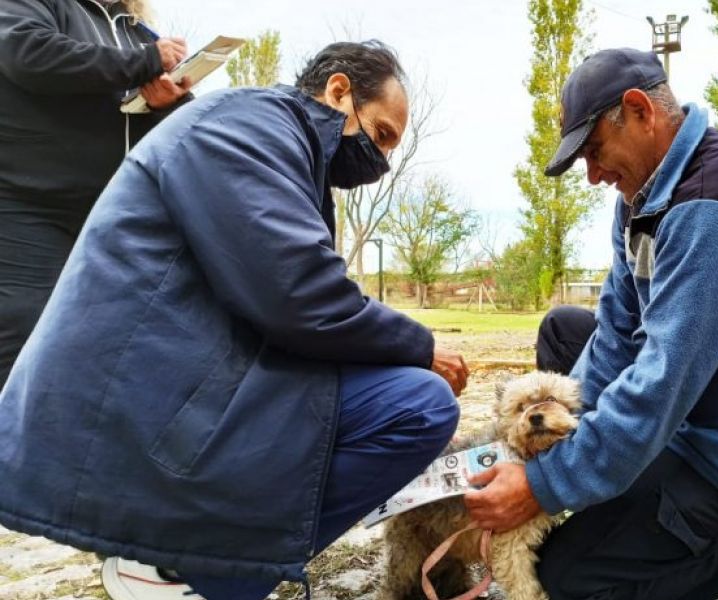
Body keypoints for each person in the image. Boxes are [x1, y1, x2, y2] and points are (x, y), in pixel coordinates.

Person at [0, 40, 469, 600]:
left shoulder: (281, 144)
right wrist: (419, 346)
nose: (383, 159)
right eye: (382, 133)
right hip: (144, 390)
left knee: (401, 399)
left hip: (184, 374)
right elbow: (300, 296)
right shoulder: (248, 130)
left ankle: (215, 560)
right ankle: (193, 573)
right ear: (339, 92)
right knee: (418, 406)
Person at [465, 48, 718, 600]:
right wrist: (553, 438)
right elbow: (617, 334)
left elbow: (663, 382)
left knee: (565, 581)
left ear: (642, 111)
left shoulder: (713, 207)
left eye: (595, 151)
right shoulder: (645, 197)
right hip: (709, 389)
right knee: (566, 332)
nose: (594, 176)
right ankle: (625, 484)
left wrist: (544, 487)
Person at [0, 0, 192, 388]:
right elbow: (28, 52)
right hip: (29, 207)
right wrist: (143, 61)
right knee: (26, 334)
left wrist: (168, 104)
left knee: (105, 343)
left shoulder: (134, 29)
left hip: (112, 214)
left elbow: (167, 130)